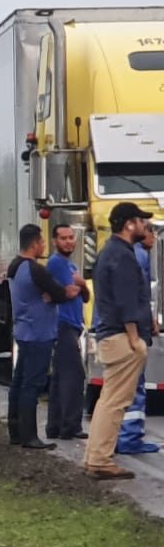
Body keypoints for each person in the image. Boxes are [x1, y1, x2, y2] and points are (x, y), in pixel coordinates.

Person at [84, 203, 153, 479]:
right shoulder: (123, 256)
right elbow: (126, 300)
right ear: (128, 224)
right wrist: (136, 338)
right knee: (116, 403)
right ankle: (100, 460)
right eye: (140, 221)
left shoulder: (108, 253)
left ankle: (94, 456)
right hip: (123, 337)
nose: (143, 227)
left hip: (110, 336)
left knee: (107, 401)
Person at [7, 224, 80, 450]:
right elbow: (60, 293)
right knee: (32, 384)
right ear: (35, 244)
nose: (44, 246)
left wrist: (53, 294)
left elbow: (51, 293)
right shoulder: (35, 269)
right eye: (42, 242)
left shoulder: (14, 266)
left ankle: (15, 430)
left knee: (19, 381)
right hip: (38, 333)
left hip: (23, 330)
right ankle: (30, 436)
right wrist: (66, 291)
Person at [115, 220, 160, 455]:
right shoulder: (140, 256)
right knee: (136, 386)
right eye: (153, 232)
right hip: (133, 331)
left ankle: (123, 435)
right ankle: (130, 437)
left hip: (123, 329)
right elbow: (140, 297)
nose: (154, 238)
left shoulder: (129, 253)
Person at [45, 224, 91, 441]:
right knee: (73, 376)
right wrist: (79, 287)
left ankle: (55, 425)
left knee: (60, 377)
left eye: (71, 237)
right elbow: (68, 292)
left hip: (72, 325)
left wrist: (81, 285)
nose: (68, 242)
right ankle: (70, 426)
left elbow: (85, 296)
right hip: (62, 324)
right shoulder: (56, 263)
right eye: (63, 238)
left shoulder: (71, 266)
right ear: (55, 241)